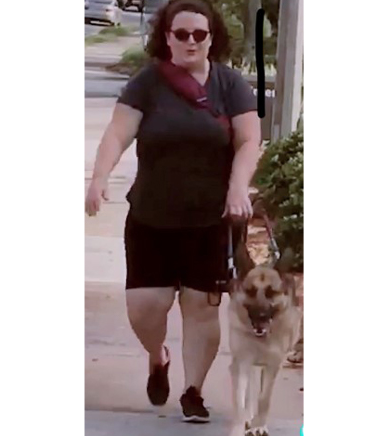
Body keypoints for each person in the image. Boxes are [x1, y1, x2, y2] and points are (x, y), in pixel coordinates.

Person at [84, 0, 260, 424]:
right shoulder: (148, 83)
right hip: (151, 216)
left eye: (199, 34)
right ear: (167, 37)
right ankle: (156, 354)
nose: (191, 41)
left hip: (208, 220)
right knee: (147, 306)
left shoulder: (229, 84)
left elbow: (249, 141)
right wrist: (99, 177)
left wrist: (238, 187)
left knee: (202, 306)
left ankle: (193, 391)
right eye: (181, 34)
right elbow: (118, 131)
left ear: (211, 38)